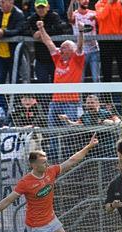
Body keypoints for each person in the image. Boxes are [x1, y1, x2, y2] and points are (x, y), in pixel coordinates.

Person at [36, 19, 84, 162]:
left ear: (71, 50)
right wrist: (42, 27)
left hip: (71, 103)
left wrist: (81, 32)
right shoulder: (58, 59)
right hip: (55, 103)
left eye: (63, 48)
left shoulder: (77, 60)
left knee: (69, 134)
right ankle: (53, 161)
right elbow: (49, 43)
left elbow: (80, 47)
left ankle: (72, 161)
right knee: (52, 133)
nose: (60, 49)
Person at [26, 0, 65, 84]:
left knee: (57, 82)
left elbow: (59, 29)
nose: (41, 9)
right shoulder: (32, 18)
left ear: (48, 7)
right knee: (42, 83)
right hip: (40, 57)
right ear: (35, 8)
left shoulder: (54, 16)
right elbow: (23, 30)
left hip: (55, 58)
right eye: (38, 7)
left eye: (43, 7)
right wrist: (33, 34)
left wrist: (42, 32)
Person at [0, 0, 25, 84]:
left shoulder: (19, 14)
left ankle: (14, 97)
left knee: (14, 79)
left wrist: (4, 33)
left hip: (14, 54)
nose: (1, 4)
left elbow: (19, 30)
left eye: (3, 2)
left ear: (11, 2)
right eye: (0, 2)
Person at [95, 0, 122, 83]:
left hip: (119, 39)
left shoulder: (120, 3)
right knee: (106, 69)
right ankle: (107, 94)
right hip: (105, 40)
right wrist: (109, 3)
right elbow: (101, 17)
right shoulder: (100, 4)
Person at [68, 0, 100, 83]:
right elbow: (69, 17)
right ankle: (79, 96)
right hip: (80, 52)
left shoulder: (94, 13)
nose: (86, 1)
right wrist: (71, 2)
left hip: (94, 50)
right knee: (80, 78)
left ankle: (98, 96)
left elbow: (101, 22)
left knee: (96, 78)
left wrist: (97, 18)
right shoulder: (75, 14)